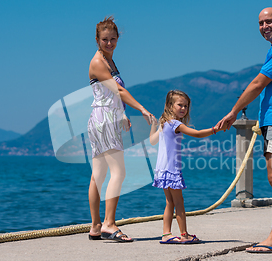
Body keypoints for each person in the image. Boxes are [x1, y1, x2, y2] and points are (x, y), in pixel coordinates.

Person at [216, 7, 272, 253]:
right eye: (260, 23)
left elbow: (258, 83)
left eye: (269, 21)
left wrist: (234, 111)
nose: (264, 26)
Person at [87, 16, 155, 242]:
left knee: (99, 174)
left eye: (112, 39)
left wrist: (123, 113)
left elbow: (108, 93)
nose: (109, 43)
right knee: (119, 172)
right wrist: (142, 109)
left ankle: (96, 226)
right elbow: (118, 91)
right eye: (104, 40)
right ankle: (109, 223)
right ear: (97, 39)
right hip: (104, 119)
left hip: (104, 117)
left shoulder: (109, 61)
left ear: (118, 39)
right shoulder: (98, 62)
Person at [150, 90, 225, 244]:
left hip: (162, 169)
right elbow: (196, 134)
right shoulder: (176, 124)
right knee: (179, 202)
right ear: (170, 106)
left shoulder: (164, 123)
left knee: (169, 202)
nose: (183, 108)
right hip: (172, 169)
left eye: (186, 106)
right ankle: (184, 234)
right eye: (180, 105)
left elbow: (152, 141)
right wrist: (215, 130)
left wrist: (153, 125)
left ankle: (166, 234)